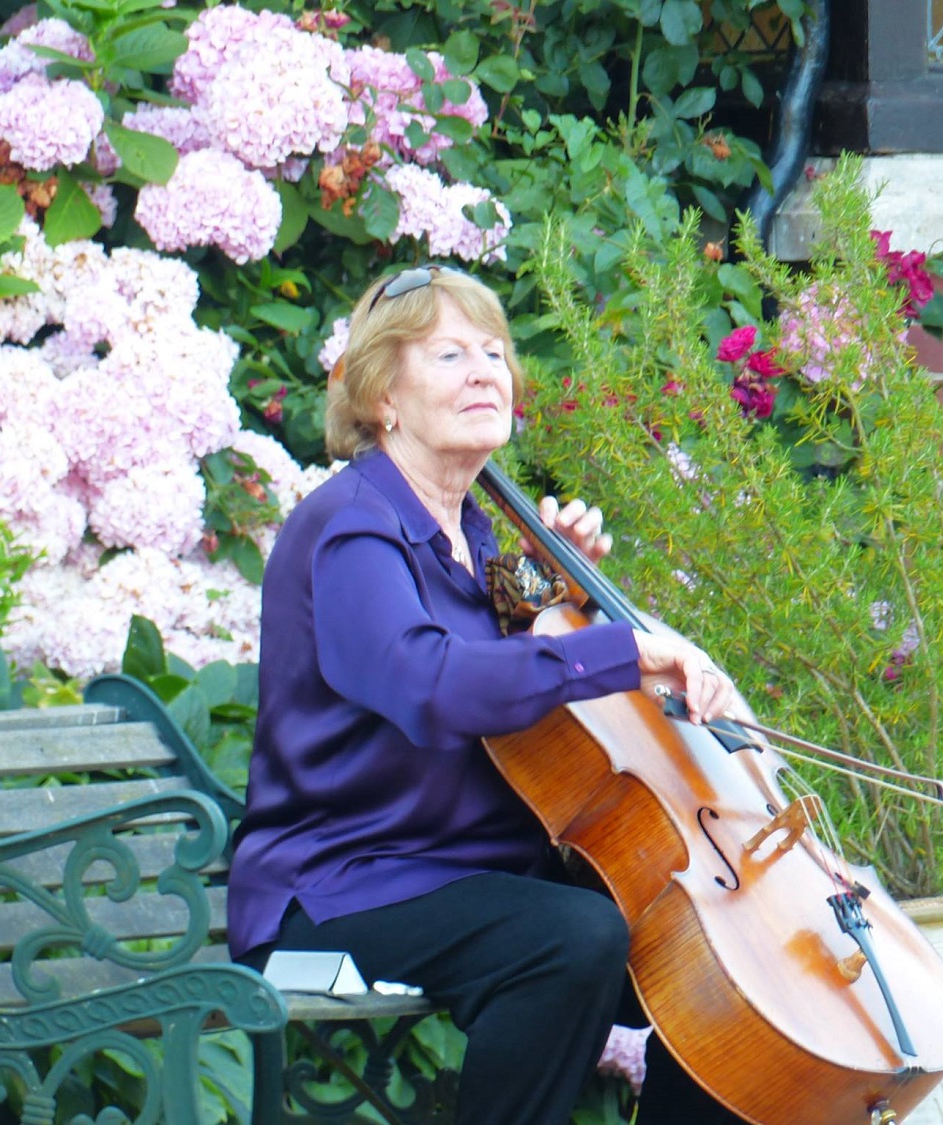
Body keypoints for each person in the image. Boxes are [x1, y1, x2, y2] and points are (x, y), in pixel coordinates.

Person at [228, 264, 748, 1125]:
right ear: (383, 397)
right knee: (570, 939)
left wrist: (556, 591)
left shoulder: (469, 535)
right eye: (449, 355)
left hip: (468, 874)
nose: (484, 372)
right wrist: (619, 651)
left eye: (495, 352)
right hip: (343, 886)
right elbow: (428, 682)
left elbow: (499, 669)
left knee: (714, 961)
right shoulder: (351, 527)